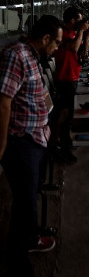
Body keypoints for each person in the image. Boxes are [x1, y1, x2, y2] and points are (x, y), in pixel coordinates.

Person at [0, 14, 62, 275]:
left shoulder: (33, 55)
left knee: (30, 196)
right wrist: (2, 145)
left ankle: (30, 237)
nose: (57, 48)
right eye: (56, 42)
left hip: (36, 139)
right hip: (21, 142)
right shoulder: (17, 55)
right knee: (25, 202)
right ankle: (17, 258)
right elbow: (3, 102)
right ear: (45, 38)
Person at [49, 7, 89, 163]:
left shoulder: (73, 33)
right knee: (64, 116)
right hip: (65, 79)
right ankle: (58, 148)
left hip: (71, 77)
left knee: (68, 116)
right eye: (79, 20)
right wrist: (80, 31)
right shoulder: (64, 33)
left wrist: (86, 37)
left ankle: (64, 144)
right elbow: (73, 47)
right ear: (73, 20)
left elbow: (82, 54)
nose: (82, 23)